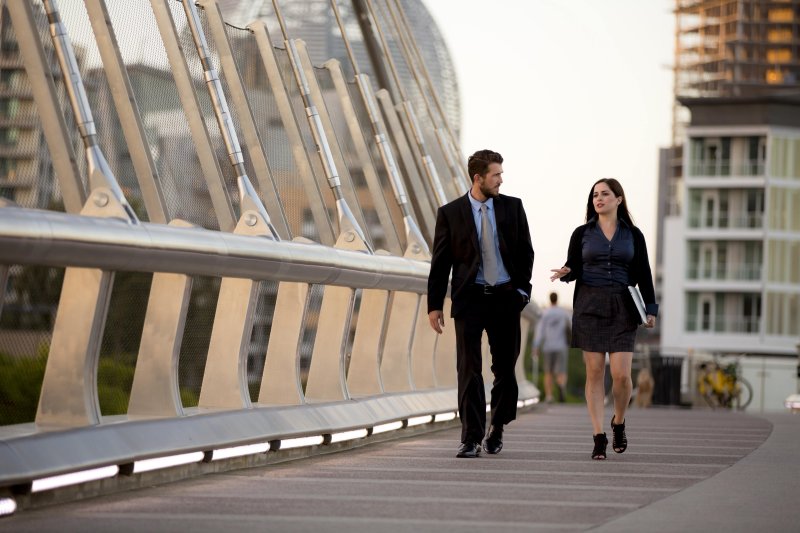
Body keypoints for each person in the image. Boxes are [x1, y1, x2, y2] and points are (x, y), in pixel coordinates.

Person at [427, 149, 534, 458]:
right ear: (478, 178)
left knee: (504, 369)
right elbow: (440, 263)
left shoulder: (513, 208)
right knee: (469, 370)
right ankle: (471, 437)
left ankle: (497, 426)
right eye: (496, 175)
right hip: (469, 298)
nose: (501, 180)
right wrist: (434, 305)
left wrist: (522, 292)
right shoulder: (450, 213)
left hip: (505, 298)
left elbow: (526, 252)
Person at [550, 178, 657, 460]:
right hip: (589, 305)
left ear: (618, 199)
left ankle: (618, 421)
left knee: (621, 376)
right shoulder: (582, 233)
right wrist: (566, 272)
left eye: (605, 194)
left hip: (623, 307)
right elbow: (574, 265)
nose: (599, 199)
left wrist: (651, 309)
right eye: (595, 195)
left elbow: (644, 273)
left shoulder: (633, 235)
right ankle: (599, 436)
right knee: (595, 371)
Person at [533, 292, 571, 403]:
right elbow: (571, 325)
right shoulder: (563, 313)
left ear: (550, 300)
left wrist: (536, 345)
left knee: (548, 372)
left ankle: (549, 396)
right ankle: (561, 385)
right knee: (561, 371)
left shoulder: (545, 313)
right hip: (561, 346)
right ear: (557, 299)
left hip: (548, 346)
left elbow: (540, 331)